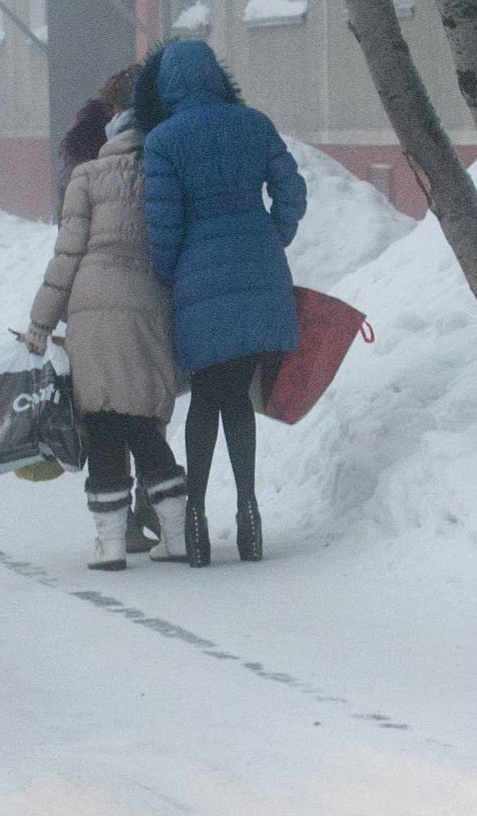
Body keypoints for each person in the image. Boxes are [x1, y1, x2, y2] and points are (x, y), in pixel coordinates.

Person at [135, 39, 307, 566]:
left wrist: (176, 273)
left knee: (206, 398)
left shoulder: (163, 141)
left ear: (167, 87)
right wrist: (270, 235)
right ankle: (249, 510)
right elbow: (293, 192)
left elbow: (162, 228)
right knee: (238, 396)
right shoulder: (253, 124)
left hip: (199, 280)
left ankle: (196, 520)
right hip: (260, 272)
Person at [26, 70, 188, 570]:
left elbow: (67, 257)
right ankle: (177, 534)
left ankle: (111, 544)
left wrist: (39, 323)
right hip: (150, 307)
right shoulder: (167, 173)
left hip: (92, 310)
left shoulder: (87, 177)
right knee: (143, 423)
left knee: (101, 425)